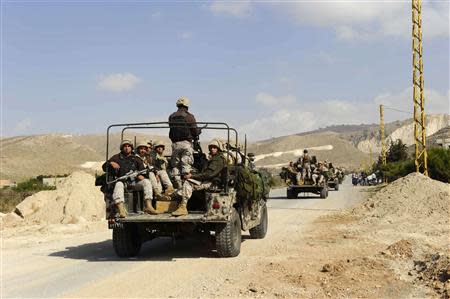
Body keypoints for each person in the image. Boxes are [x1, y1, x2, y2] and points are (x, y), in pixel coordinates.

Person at [102, 140, 158, 217]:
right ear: (122, 148)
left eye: (128, 146)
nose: (127, 148)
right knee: (118, 185)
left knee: (147, 182)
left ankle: (148, 206)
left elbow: (143, 170)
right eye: (125, 146)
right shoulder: (116, 157)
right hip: (123, 182)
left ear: (131, 148)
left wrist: (140, 175)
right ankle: (121, 210)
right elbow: (104, 167)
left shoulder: (136, 158)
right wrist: (110, 163)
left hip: (135, 182)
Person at [171, 139, 226, 217]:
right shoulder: (214, 158)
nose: (212, 149)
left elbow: (208, 174)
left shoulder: (218, 159)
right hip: (207, 180)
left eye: (215, 147)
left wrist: (192, 176)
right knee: (180, 190)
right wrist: (193, 174)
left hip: (211, 183)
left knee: (188, 183)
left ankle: (183, 207)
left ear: (218, 149)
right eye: (211, 147)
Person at [168, 96, 201, 188]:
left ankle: (177, 185)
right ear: (187, 106)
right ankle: (185, 188)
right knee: (185, 166)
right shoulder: (189, 116)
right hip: (186, 144)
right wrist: (198, 131)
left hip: (175, 145)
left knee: (175, 166)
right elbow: (194, 131)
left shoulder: (171, 116)